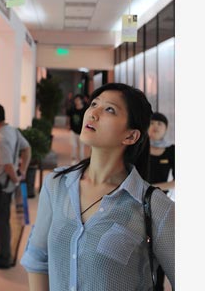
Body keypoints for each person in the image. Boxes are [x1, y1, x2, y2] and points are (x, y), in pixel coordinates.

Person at [20, 83, 175, 290]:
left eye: (109, 109)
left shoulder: (156, 207)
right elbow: (38, 257)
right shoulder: (56, 184)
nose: (93, 113)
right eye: (94, 104)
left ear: (130, 136)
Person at [0, 102, 31, 269]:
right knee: (2, 219)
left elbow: (7, 165)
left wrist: (16, 179)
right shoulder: (12, 131)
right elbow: (27, 149)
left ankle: (3, 258)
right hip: (5, 185)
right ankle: (2, 249)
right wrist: (22, 171)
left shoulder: (0, 139)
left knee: (0, 222)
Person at [147, 112, 175, 291]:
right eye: (152, 123)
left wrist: (152, 187)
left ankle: (158, 287)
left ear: (166, 129)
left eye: (160, 123)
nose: (155, 126)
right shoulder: (139, 148)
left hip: (160, 205)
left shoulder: (172, 150)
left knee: (160, 249)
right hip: (137, 202)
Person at [66, 94, 91, 164]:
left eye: (78, 100)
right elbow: (69, 117)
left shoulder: (85, 109)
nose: (76, 101)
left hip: (82, 131)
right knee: (73, 146)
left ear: (81, 101)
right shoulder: (72, 109)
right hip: (73, 130)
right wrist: (68, 125)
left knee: (81, 147)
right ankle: (73, 160)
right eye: (75, 100)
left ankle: (81, 161)